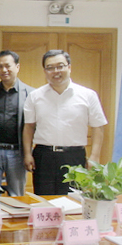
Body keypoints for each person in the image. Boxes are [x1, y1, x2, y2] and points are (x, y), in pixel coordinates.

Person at [23, 50, 107, 195]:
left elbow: (98, 126)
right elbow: (29, 127)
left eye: (60, 66)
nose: (56, 71)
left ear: (69, 67)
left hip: (74, 156)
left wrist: (94, 156)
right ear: (45, 71)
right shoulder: (35, 96)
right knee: (44, 200)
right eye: (50, 67)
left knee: (74, 199)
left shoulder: (88, 95)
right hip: (44, 156)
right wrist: (27, 154)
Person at [0, 50, 34, 196]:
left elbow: (32, 126)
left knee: (16, 194)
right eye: (0, 66)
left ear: (17, 67)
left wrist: (28, 153)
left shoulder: (30, 93)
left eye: (7, 66)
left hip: (17, 152)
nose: (3, 70)